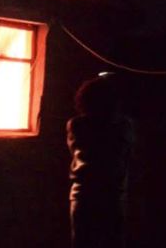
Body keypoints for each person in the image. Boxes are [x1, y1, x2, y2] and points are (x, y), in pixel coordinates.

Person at [67, 74, 134, 248]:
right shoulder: (124, 126)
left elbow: (74, 151)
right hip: (113, 195)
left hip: (83, 194)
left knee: (83, 242)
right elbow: (128, 154)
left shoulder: (76, 125)